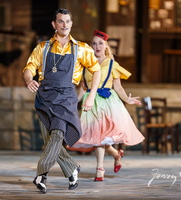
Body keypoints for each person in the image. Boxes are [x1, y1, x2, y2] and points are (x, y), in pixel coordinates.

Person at [22, 9, 101, 194]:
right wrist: (28, 80)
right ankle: (72, 168)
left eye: (67, 21)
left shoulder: (81, 48)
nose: (64, 25)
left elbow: (96, 70)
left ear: (71, 24)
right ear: (54, 24)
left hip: (66, 97)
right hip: (45, 97)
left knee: (57, 135)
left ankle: (41, 174)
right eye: (60, 21)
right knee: (51, 141)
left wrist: (91, 95)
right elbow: (29, 68)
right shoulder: (42, 47)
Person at [70, 30, 145, 181]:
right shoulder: (86, 65)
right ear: (91, 46)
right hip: (90, 103)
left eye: (100, 43)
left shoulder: (112, 64)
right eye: (94, 43)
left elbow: (118, 87)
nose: (97, 46)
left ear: (105, 46)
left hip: (108, 103)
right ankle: (117, 154)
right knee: (100, 138)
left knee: (101, 138)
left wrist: (127, 99)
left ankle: (100, 169)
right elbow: (83, 88)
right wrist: (73, 103)